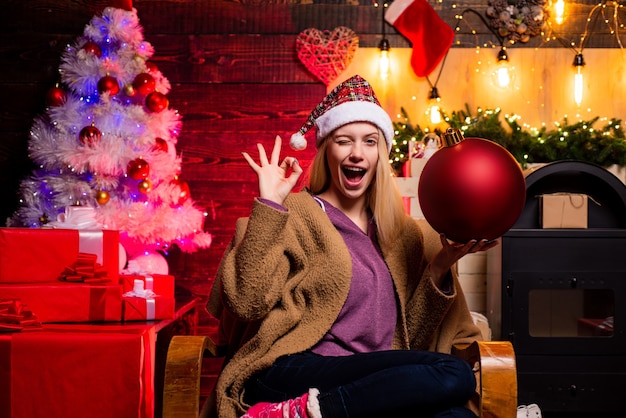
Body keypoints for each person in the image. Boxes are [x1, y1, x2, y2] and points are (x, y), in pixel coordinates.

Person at [206, 75, 498, 418]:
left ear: (380, 154)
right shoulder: (297, 216)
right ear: (327, 149)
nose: (357, 153)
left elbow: (409, 341)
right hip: (291, 372)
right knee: (455, 374)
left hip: (367, 381)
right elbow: (247, 301)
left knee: (458, 416)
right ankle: (305, 412)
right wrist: (270, 204)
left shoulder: (400, 234)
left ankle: (318, 413)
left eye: (370, 142)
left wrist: (438, 267)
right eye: (344, 141)